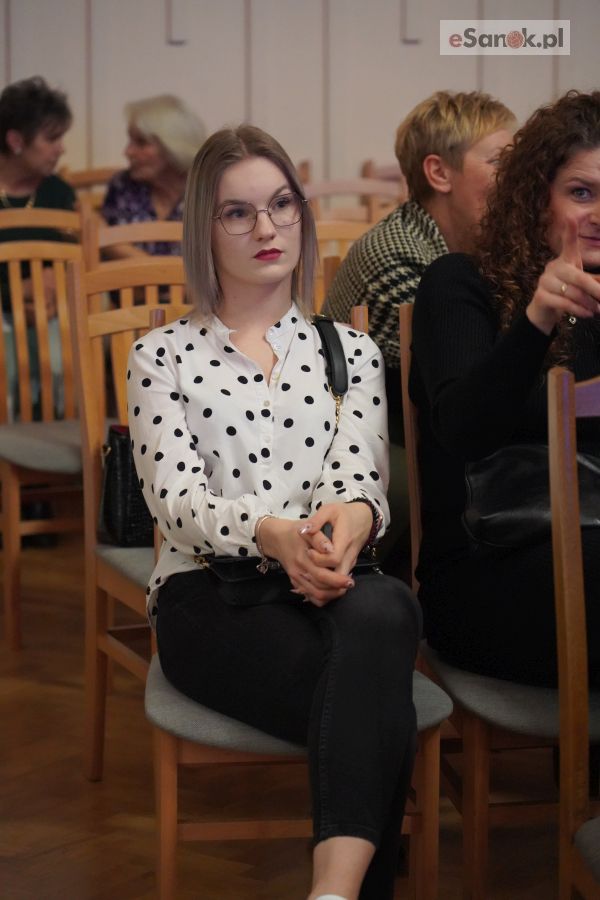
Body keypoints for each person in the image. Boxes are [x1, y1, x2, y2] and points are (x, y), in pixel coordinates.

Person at [127, 125, 421, 900]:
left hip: (332, 588)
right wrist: (271, 533)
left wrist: (349, 525)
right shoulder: (163, 355)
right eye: (238, 212)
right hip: (210, 596)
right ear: (204, 227)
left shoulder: (350, 351)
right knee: (379, 696)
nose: (267, 227)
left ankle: (331, 894)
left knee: (387, 608)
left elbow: (360, 478)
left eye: (282, 204)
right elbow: (175, 502)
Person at [410, 90, 600, 688]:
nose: (599, 213)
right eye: (581, 192)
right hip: (486, 567)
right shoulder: (460, 282)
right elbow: (465, 430)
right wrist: (538, 319)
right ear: (535, 195)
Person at [323, 91, 516, 573]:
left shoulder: (468, 244)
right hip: (359, 439)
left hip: (417, 427)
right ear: (439, 173)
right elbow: (462, 375)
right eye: (500, 161)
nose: (516, 176)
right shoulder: (400, 254)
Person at [0, 75, 75, 418]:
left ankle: (59, 429)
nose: (61, 149)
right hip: (7, 307)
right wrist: (17, 294)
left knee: (59, 358)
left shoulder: (58, 192)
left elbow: (77, 257)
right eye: (52, 138)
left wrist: (53, 291)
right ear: (16, 140)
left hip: (51, 308)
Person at [101, 94, 205, 259]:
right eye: (130, 141)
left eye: (141, 142)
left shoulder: (206, 191)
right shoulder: (123, 186)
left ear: (173, 147)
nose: (128, 152)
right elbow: (107, 251)